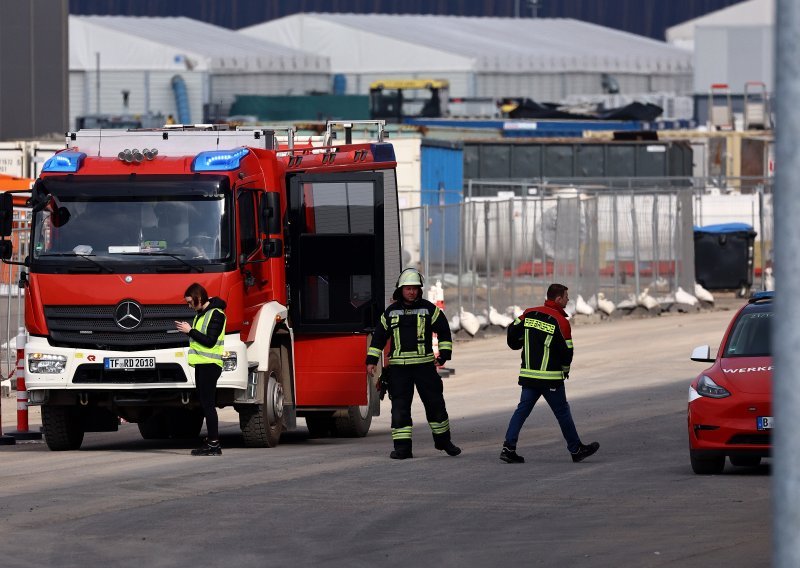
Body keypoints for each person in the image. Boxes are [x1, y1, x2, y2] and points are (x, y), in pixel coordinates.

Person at [366, 268, 461, 459]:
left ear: (420, 290)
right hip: (399, 370)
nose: (412, 292)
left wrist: (444, 355)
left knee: (435, 405)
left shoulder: (429, 309)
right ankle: (402, 449)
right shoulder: (390, 313)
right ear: (400, 290)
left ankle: (444, 442)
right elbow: (378, 338)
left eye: (415, 289)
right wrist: (371, 361)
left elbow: (443, 330)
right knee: (400, 409)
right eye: (408, 288)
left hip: (425, 367)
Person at [500, 283, 599, 464]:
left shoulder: (528, 314)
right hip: (550, 378)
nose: (568, 300)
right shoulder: (561, 322)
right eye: (566, 297)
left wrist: (518, 342)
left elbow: (512, 330)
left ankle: (508, 449)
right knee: (562, 413)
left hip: (529, 376)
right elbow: (567, 351)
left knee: (521, 412)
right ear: (558, 299)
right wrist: (565, 370)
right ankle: (576, 449)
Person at [175, 283, 227, 456]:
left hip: (210, 365)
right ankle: (212, 442)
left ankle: (214, 444)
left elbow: (210, 341)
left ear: (199, 297)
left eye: (191, 302)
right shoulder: (202, 314)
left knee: (208, 405)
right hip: (202, 364)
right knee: (205, 405)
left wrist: (190, 331)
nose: (189, 305)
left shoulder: (216, 314)